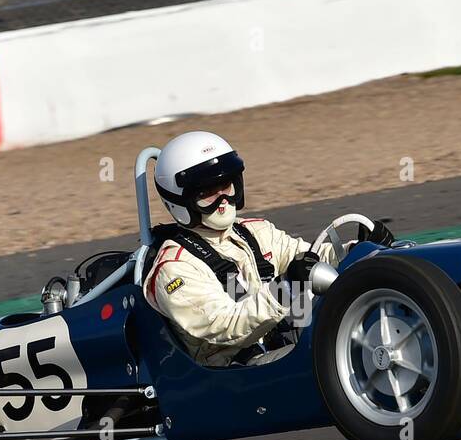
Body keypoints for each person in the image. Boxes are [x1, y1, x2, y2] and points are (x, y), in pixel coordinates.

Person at [143, 130, 392, 366]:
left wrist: (360, 249)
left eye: (226, 186)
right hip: (237, 375)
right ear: (181, 201)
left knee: (379, 322)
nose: (223, 200)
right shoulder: (174, 268)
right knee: (352, 356)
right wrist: (286, 287)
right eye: (208, 192)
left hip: (290, 348)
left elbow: (310, 257)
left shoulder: (256, 231)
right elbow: (226, 326)